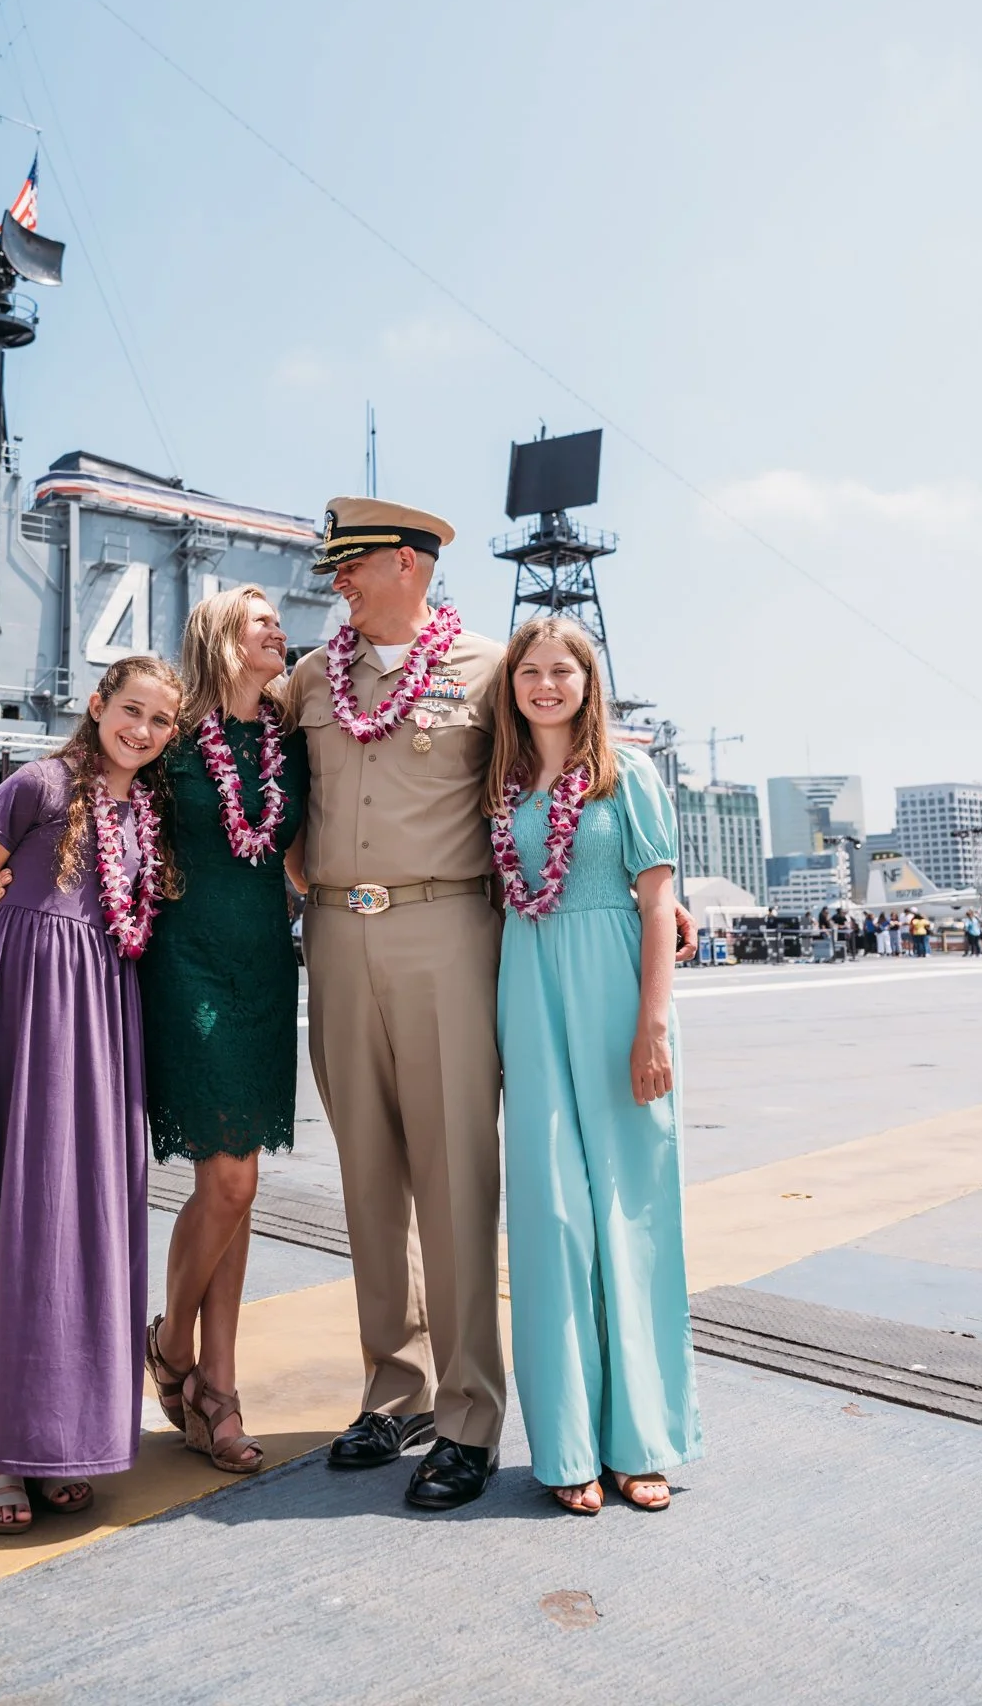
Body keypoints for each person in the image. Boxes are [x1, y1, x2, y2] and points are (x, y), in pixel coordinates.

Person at [286, 496, 699, 1514]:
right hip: (335, 931)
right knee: (369, 1175)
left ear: (406, 565)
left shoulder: (486, 669)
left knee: (455, 1174)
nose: (333, 581)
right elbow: (265, 789)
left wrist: (660, 897)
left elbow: (567, 784)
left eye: (350, 564)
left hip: (450, 931)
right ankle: (398, 1390)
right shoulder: (305, 678)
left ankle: (469, 1413)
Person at [0, 654, 181, 1534]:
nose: (141, 731)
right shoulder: (36, 786)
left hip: (104, 1013)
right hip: (27, 1005)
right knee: (23, 1212)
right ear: (97, 704)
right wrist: (13, 981)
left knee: (87, 1217)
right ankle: (3, 1455)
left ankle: (64, 1439)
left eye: (159, 720)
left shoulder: (142, 813)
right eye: (130, 710)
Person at [491, 617, 700, 1515]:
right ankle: (568, 1442)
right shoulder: (495, 783)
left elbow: (658, 904)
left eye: (561, 671)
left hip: (616, 993)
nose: (545, 685)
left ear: (587, 682)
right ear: (511, 685)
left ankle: (638, 1440)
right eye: (529, 671)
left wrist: (652, 1025)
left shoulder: (629, 773)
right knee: (549, 1217)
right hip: (527, 993)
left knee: (627, 1212)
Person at [140, 586, 309, 1476]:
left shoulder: (292, 743)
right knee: (230, 1179)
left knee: (237, 1188)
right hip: (187, 964)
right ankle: (172, 1349)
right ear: (220, 639)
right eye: (262, 622)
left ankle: (216, 1384)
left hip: (264, 971)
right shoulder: (172, 742)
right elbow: (109, 810)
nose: (280, 631)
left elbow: (312, 851)